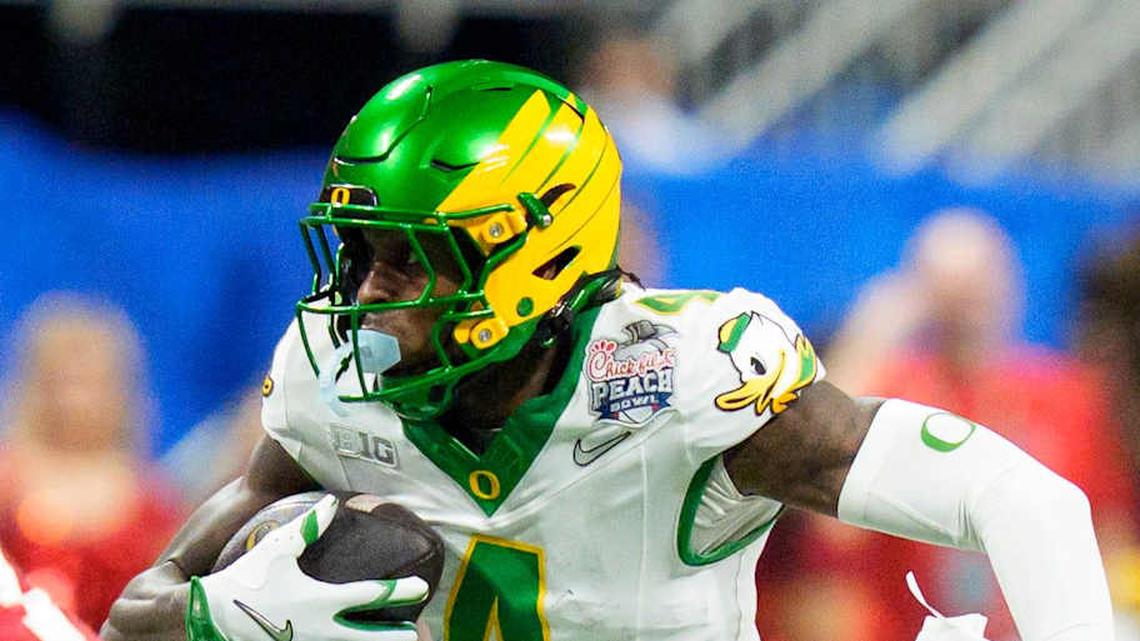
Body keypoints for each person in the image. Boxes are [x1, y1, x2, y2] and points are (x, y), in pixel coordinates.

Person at [102, 60, 1112, 641]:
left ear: (534, 256)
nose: (368, 292)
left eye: (412, 258)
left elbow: (1025, 499)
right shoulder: (335, 379)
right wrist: (215, 613)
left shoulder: (683, 374)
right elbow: (130, 616)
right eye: (362, 250)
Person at [0, 293, 186, 631]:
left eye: (90, 383)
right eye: (63, 383)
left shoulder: (152, 503)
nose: (75, 402)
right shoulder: (8, 480)